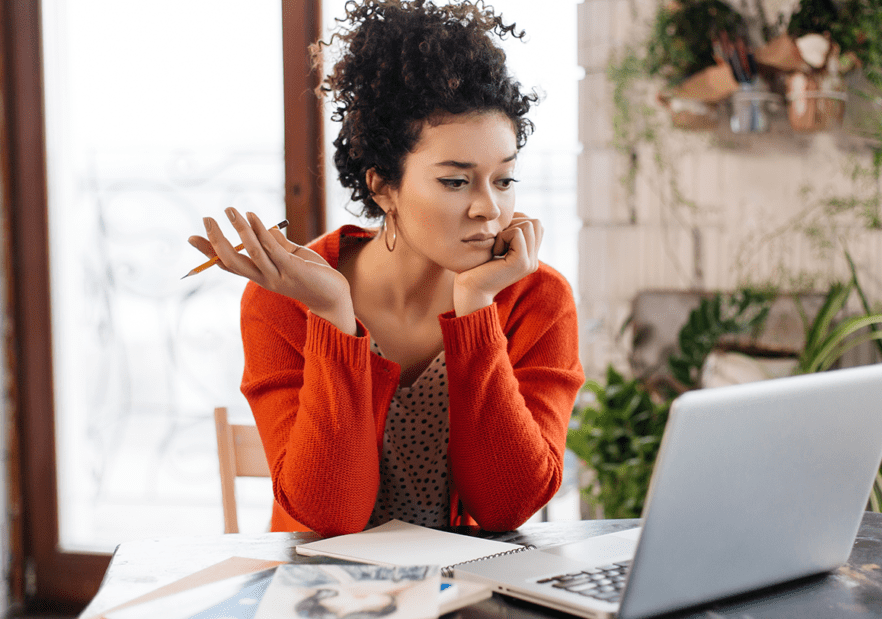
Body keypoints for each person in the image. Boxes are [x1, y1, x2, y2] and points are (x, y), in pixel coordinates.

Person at [188, 0, 585, 537]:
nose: (488, 208)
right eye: (455, 181)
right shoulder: (285, 298)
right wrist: (332, 314)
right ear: (382, 186)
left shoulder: (536, 298)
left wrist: (476, 309)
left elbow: (506, 506)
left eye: (504, 179)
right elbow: (330, 516)